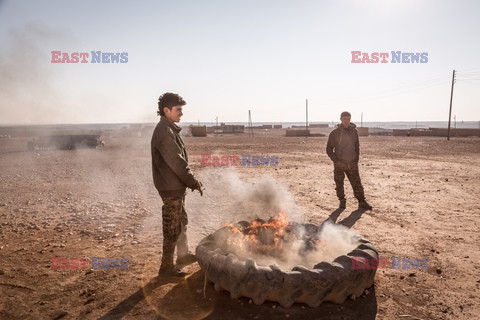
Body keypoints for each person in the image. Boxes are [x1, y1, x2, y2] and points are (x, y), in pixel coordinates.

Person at [151, 92, 204, 277]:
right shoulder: (164, 132)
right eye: (178, 109)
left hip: (175, 186)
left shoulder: (169, 129)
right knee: (172, 227)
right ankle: (166, 267)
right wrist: (193, 182)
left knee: (181, 221)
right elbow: (177, 163)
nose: (181, 113)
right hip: (170, 188)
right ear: (166, 110)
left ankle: (183, 256)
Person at [326, 111, 373, 210]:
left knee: (357, 183)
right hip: (339, 163)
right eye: (344, 119)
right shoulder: (335, 133)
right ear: (341, 119)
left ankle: (362, 202)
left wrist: (356, 159)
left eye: (348, 119)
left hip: (352, 163)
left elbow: (357, 147)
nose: (346, 121)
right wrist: (336, 160)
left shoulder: (354, 132)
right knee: (339, 183)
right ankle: (342, 201)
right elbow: (329, 149)